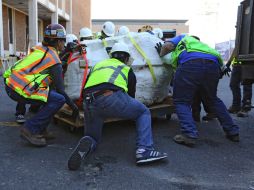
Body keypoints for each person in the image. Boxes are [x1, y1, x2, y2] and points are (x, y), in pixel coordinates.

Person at [67, 42, 167, 170]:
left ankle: (88, 145)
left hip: (89, 102)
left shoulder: (98, 65)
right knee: (143, 112)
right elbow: (130, 96)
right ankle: (144, 150)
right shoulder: (126, 69)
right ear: (126, 58)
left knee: (92, 137)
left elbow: (86, 86)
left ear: (111, 55)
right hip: (111, 98)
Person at [4, 24, 79, 147]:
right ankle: (30, 129)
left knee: (49, 96)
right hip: (17, 89)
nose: (64, 45)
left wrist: (66, 52)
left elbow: (53, 59)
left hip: (11, 84)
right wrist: (74, 107)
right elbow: (61, 90)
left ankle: (41, 129)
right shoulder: (54, 60)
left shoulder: (42, 48)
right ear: (59, 42)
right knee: (58, 99)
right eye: (63, 42)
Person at [158, 34, 239, 146]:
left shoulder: (183, 37)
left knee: (182, 101)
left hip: (190, 64)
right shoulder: (203, 46)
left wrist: (161, 54)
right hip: (213, 65)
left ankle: (189, 134)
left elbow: (167, 46)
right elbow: (221, 67)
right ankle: (233, 131)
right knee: (212, 99)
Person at [227, 48, 252, 117]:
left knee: (247, 84)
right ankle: (236, 106)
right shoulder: (240, 38)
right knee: (233, 84)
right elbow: (236, 49)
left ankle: (245, 108)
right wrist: (229, 62)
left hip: (249, 62)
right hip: (237, 63)